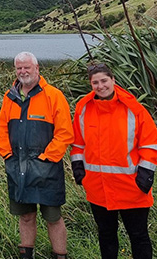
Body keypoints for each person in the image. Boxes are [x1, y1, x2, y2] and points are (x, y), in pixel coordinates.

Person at [70, 63, 157, 259]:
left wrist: (145, 174)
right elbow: (78, 144)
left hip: (132, 188)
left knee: (139, 236)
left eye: (104, 80)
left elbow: (150, 144)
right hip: (98, 187)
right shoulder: (83, 109)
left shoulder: (134, 109)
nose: (100, 86)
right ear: (90, 84)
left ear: (113, 80)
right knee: (107, 236)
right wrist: (78, 167)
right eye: (95, 82)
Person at [0, 52, 74, 259]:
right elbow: (1, 129)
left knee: (53, 218)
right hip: (17, 170)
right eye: (19, 68)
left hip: (48, 171)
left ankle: (60, 255)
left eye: (26, 67)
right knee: (26, 216)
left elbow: (65, 133)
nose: (23, 72)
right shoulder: (9, 96)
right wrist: (7, 155)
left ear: (37, 68)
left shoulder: (54, 95)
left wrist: (46, 159)